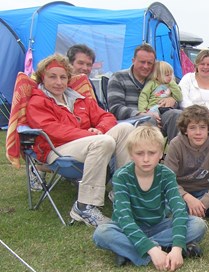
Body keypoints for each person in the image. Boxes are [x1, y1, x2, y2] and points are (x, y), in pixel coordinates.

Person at [26, 54, 134, 226]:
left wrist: (99, 129)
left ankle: (120, 191)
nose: (58, 82)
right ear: (42, 78)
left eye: (63, 77)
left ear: (69, 79)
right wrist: (90, 135)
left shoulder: (79, 99)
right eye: (52, 77)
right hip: (56, 149)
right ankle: (84, 206)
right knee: (103, 142)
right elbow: (52, 130)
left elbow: (106, 116)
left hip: (88, 143)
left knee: (126, 129)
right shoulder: (38, 102)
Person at [93, 126, 207, 269]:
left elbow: (178, 209)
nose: (146, 159)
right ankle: (159, 250)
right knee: (102, 233)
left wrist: (177, 247)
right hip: (129, 227)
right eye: (140, 153)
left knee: (198, 225)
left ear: (160, 153)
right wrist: (153, 249)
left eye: (151, 153)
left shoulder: (166, 174)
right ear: (131, 154)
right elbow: (124, 217)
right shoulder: (122, 176)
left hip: (158, 225)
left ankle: (131, 251)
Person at [164, 105, 209, 218]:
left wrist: (203, 203)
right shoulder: (176, 144)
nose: (198, 132)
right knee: (161, 200)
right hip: (181, 191)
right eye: (192, 128)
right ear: (185, 130)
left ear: (208, 129)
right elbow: (168, 180)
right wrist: (187, 197)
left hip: (205, 189)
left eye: (202, 127)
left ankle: (196, 210)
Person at [107, 43, 182, 141]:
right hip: (130, 122)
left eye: (149, 63)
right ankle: (150, 154)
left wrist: (173, 100)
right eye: (142, 62)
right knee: (149, 120)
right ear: (133, 61)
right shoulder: (118, 78)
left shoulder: (158, 78)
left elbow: (177, 91)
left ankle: (174, 152)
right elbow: (115, 108)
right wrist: (141, 114)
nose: (146, 66)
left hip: (159, 115)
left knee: (177, 115)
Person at [66, 44, 104, 108]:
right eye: (80, 63)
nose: (85, 68)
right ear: (69, 63)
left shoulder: (88, 83)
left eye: (89, 65)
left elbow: (99, 109)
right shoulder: (60, 84)